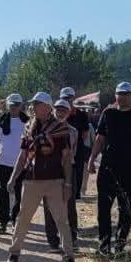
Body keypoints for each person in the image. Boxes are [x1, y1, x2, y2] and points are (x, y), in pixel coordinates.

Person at [6, 92, 76, 262]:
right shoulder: (29, 127)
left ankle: (68, 255)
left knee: (61, 219)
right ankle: (14, 253)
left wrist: (68, 183)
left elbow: (67, 158)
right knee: (23, 218)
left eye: (37, 104)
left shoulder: (60, 129)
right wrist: (13, 178)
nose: (34, 107)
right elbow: (22, 156)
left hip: (55, 180)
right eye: (34, 104)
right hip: (32, 180)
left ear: (46, 107)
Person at [88, 82, 131, 255]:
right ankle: (104, 245)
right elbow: (100, 139)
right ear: (115, 96)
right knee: (103, 208)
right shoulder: (108, 114)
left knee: (126, 209)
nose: (122, 97)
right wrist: (92, 158)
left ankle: (120, 245)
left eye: (126, 94)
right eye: (119, 94)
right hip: (108, 168)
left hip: (130, 170)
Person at [44, 99, 79, 251]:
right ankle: (53, 241)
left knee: (69, 205)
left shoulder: (73, 131)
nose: (60, 113)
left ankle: (72, 239)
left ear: (68, 112)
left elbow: (72, 153)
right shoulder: (45, 129)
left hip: (67, 170)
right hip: (50, 170)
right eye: (58, 110)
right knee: (49, 206)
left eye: (63, 110)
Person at [0, 94, 28, 234]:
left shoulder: (27, 121)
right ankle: (2, 221)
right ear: (8, 105)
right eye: (11, 105)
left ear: (21, 106)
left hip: (21, 163)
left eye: (16, 105)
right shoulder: (1, 120)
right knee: (3, 191)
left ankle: (16, 219)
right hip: (4, 161)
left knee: (19, 192)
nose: (14, 108)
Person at [60, 87, 90, 201]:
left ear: (73, 98)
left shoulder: (81, 115)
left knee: (77, 171)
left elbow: (85, 133)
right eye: (65, 98)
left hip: (78, 148)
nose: (67, 100)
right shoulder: (58, 114)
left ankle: (76, 194)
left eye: (69, 98)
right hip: (61, 148)